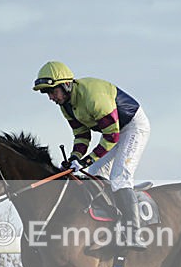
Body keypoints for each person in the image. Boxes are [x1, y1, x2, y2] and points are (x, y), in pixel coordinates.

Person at [33, 61, 150, 250]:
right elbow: (82, 136)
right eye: (47, 93)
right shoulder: (66, 106)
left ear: (66, 85)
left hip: (132, 128)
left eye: (53, 91)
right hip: (113, 131)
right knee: (95, 175)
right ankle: (111, 226)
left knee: (119, 178)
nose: (51, 97)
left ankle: (134, 234)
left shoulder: (93, 98)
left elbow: (112, 136)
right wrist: (74, 158)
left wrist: (86, 160)